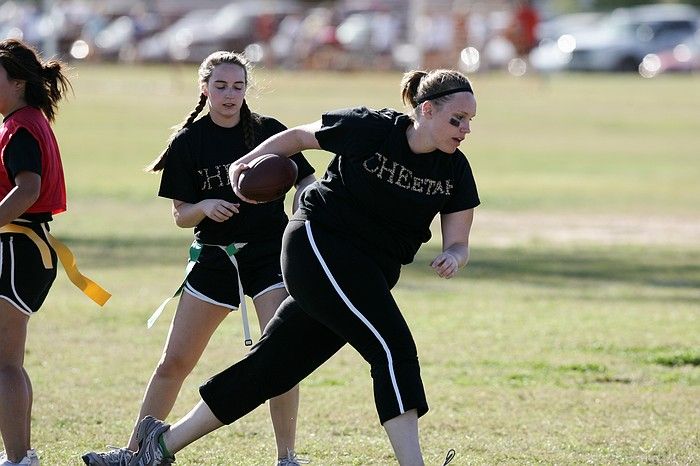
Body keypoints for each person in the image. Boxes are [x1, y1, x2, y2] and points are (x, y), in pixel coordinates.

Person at [125, 67, 478, 466]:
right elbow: (296, 138)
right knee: (392, 348)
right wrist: (249, 162)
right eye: (457, 119)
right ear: (427, 110)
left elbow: (459, 240)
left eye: (469, 121)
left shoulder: (455, 170)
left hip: (369, 272)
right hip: (318, 244)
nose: (465, 129)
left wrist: (454, 255)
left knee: (274, 366)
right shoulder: (371, 127)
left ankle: (162, 444)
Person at [82, 51, 315, 466]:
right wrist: (205, 205)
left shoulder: (268, 132)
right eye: (221, 86)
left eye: (238, 86)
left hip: (268, 257)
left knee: (281, 358)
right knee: (174, 361)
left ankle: (287, 457)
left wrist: (302, 206)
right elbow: (180, 215)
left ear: (247, 90)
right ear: (204, 88)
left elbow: (307, 181)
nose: (230, 94)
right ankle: (135, 452)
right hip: (215, 258)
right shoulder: (188, 142)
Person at [0, 39, 71, 466]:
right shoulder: (25, 119)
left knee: (5, 364)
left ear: (18, 83)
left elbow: (27, 189)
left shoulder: (22, 125)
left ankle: (17, 458)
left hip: (16, 248)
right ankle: (21, 455)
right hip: (26, 249)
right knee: (9, 362)